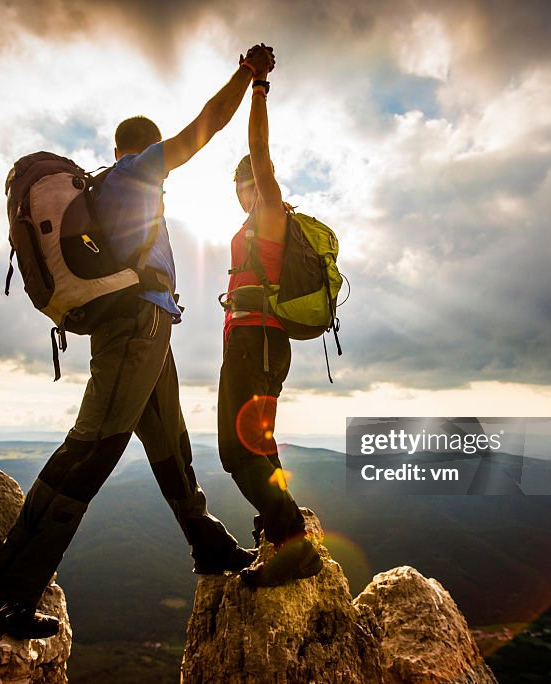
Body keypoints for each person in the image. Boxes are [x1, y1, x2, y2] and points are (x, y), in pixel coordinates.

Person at [0, 44, 278, 639]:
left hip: (147, 328)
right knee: (94, 447)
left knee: (171, 446)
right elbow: (206, 127)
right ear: (141, 151)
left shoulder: (108, 183)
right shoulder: (138, 172)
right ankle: (7, 590)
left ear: (113, 149)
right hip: (136, 327)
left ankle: (207, 544)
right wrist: (249, 76)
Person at [218, 55, 323, 587]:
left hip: (256, 340)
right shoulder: (253, 227)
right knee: (260, 444)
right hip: (255, 341)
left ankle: (293, 548)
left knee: (234, 451)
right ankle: (282, 521)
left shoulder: (271, 213)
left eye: (249, 182)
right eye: (240, 185)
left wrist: (258, 88)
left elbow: (261, 153)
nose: (247, 190)